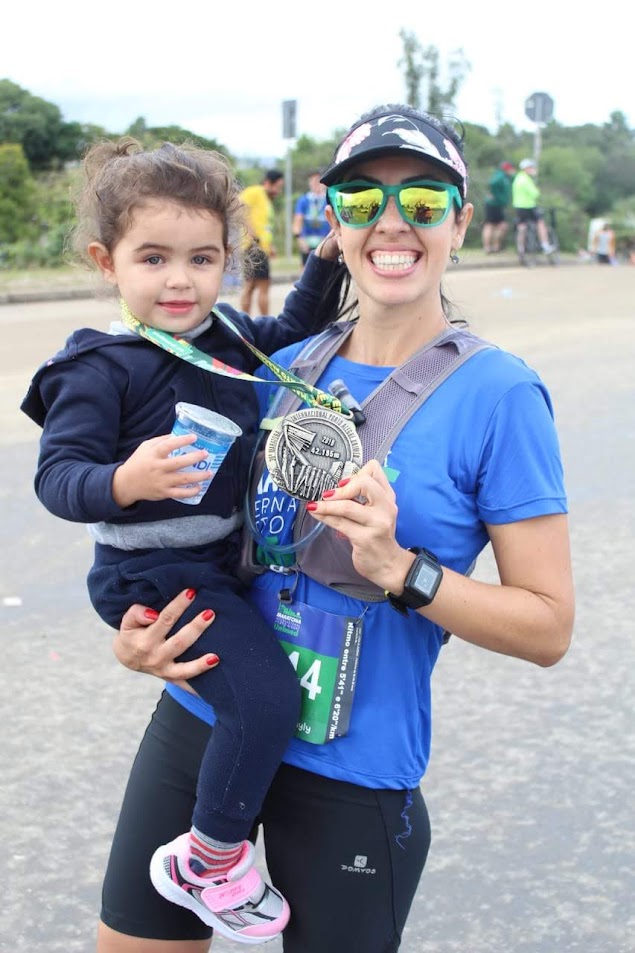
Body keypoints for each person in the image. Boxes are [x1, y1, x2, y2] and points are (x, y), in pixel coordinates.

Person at [99, 104, 575, 953]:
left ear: (459, 221)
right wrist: (135, 635)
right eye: (361, 200)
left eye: (423, 202)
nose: (391, 223)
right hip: (205, 719)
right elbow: (180, 526)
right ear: (335, 223)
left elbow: (547, 626)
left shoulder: (501, 395)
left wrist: (403, 569)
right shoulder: (281, 364)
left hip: (350, 767)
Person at [19, 138, 341, 947]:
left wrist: (332, 252)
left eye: (202, 259)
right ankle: (208, 858)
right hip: (149, 570)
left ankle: (215, 840)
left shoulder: (228, 336)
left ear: (228, 262)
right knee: (267, 700)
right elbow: (57, 478)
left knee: (250, 698)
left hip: (210, 562)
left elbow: (296, 324)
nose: (178, 280)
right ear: (107, 261)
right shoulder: (99, 366)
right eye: (153, 257)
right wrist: (123, 479)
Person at [239, 168, 285, 316]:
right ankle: (265, 321)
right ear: (268, 183)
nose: (278, 191)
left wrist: (270, 246)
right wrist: (251, 233)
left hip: (260, 247)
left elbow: (265, 226)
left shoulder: (267, 200)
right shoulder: (256, 192)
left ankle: (245, 319)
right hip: (254, 247)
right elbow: (239, 206)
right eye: (277, 186)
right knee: (262, 286)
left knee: (251, 286)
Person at [512, 157, 556, 262]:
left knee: (522, 228)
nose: (532, 169)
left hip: (518, 206)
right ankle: (545, 245)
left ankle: (521, 248)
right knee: (540, 223)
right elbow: (535, 194)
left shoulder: (517, 178)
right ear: (526, 168)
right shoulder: (526, 179)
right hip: (529, 206)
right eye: (531, 168)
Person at [292, 169, 330, 268]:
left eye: (318, 181)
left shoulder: (329, 199)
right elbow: (298, 220)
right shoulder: (304, 200)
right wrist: (299, 238)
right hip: (307, 242)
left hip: (325, 240)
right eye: (312, 181)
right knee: (306, 269)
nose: (315, 184)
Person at [481, 160, 515, 253]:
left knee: (499, 226)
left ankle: (495, 247)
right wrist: (495, 195)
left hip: (498, 205)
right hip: (494, 204)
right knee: (491, 225)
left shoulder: (506, 177)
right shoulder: (500, 176)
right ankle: (489, 248)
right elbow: (493, 183)